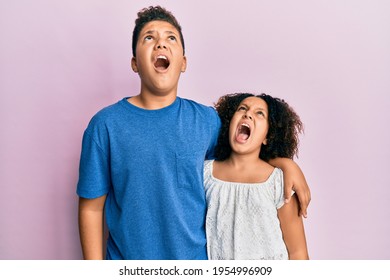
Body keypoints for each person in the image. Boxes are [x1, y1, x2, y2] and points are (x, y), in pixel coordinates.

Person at [77, 6, 311, 260]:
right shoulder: (105, 125)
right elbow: (91, 208)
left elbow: (242, 158)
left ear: (184, 63)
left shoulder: (207, 121)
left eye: (171, 38)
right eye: (149, 38)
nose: (160, 44)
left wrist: (285, 164)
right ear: (134, 63)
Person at [205, 93, 309, 260]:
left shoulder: (279, 182)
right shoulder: (205, 174)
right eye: (242, 108)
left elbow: (298, 252)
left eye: (260, 113)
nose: (248, 114)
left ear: (267, 137)